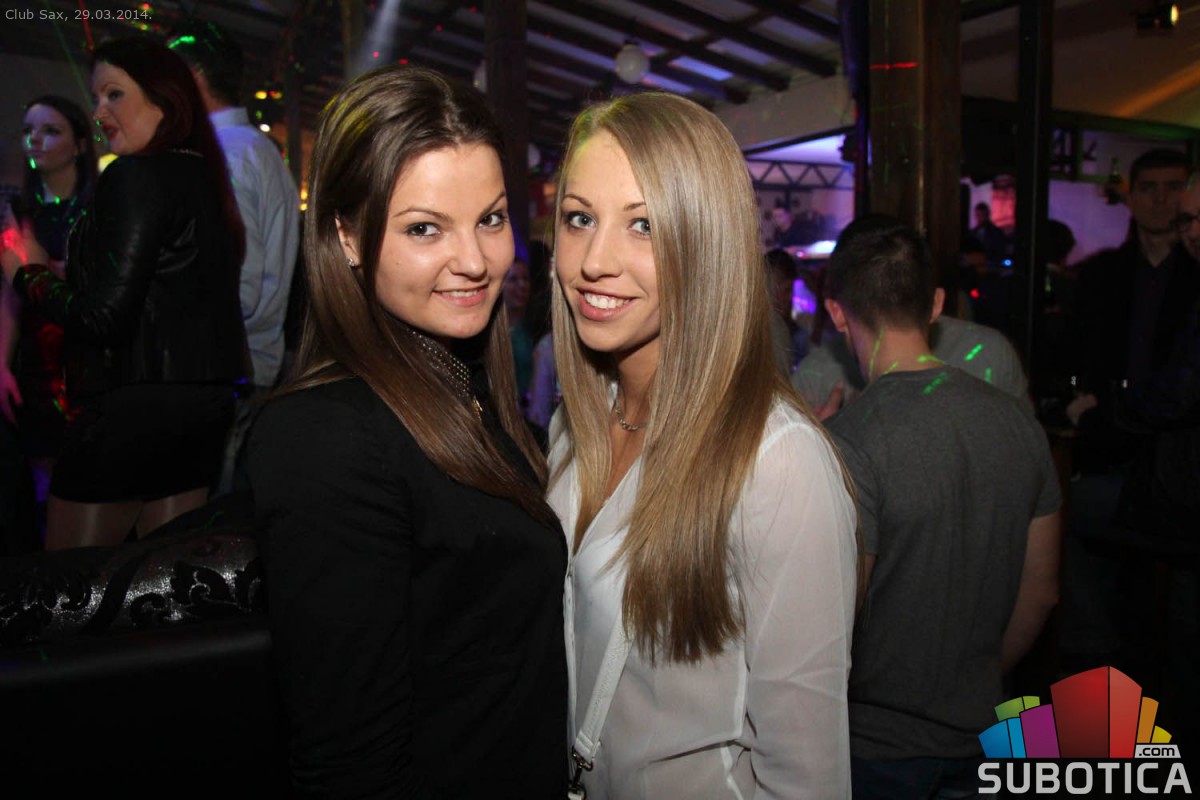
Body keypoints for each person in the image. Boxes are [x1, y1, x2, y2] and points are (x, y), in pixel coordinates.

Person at [244, 65, 567, 796]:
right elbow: (349, 763)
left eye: (490, 219)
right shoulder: (324, 438)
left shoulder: (467, 388)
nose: (475, 261)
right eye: (425, 228)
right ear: (346, 235)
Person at [548, 92, 858, 798]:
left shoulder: (778, 463)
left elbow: (807, 777)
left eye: (645, 225)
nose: (595, 260)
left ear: (706, 241)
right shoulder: (577, 423)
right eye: (579, 218)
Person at [821, 218, 1061, 799]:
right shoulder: (1020, 425)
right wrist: (972, 680)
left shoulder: (849, 441)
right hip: (986, 732)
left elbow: (835, 616)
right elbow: (1042, 592)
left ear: (836, 314)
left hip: (872, 748)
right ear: (935, 304)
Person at [0, 37, 247, 550]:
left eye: (114, 94)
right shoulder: (204, 174)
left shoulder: (134, 175)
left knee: (70, 586)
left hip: (134, 407)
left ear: (164, 98)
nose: (99, 112)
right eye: (96, 98)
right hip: (202, 406)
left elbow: (104, 318)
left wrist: (29, 273)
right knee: (160, 580)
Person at [167, 23, 301, 493]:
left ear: (192, 78)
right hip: (250, 364)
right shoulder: (256, 148)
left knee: (205, 509)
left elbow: (237, 280)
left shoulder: (224, 154)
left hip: (228, 369)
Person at [794, 217, 1029, 420]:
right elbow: (1026, 443)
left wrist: (827, 443)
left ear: (836, 311)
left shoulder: (816, 374)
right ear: (936, 302)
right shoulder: (990, 350)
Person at [1, 95, 98, 532]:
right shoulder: (18, 209)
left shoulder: (100, 208)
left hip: (88, 355)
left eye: (50, 131)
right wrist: (1, 364)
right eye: (28, 131)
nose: (35, 141)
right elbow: (10, 295)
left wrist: (44, 270)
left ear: (79, 144)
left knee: (87, 480)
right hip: (36, 360)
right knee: (39, 483)